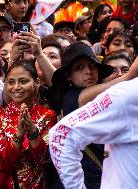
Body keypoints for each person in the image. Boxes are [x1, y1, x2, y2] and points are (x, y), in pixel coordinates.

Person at [49, 41, 138, 188]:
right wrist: (129, 76)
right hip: (78, 176)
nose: (88, 72)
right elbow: (92, 95)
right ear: (69, 76)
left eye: (92, 66)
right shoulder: (71, 97)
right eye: (80, 68)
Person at [0, 60, 57, 189]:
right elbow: (2, 163)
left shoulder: (48, 115)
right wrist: (19, 133)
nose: (16, 87)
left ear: (37, 82)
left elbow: (45, 160)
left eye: (23, 81)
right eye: (11, 82)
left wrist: (32, 131)